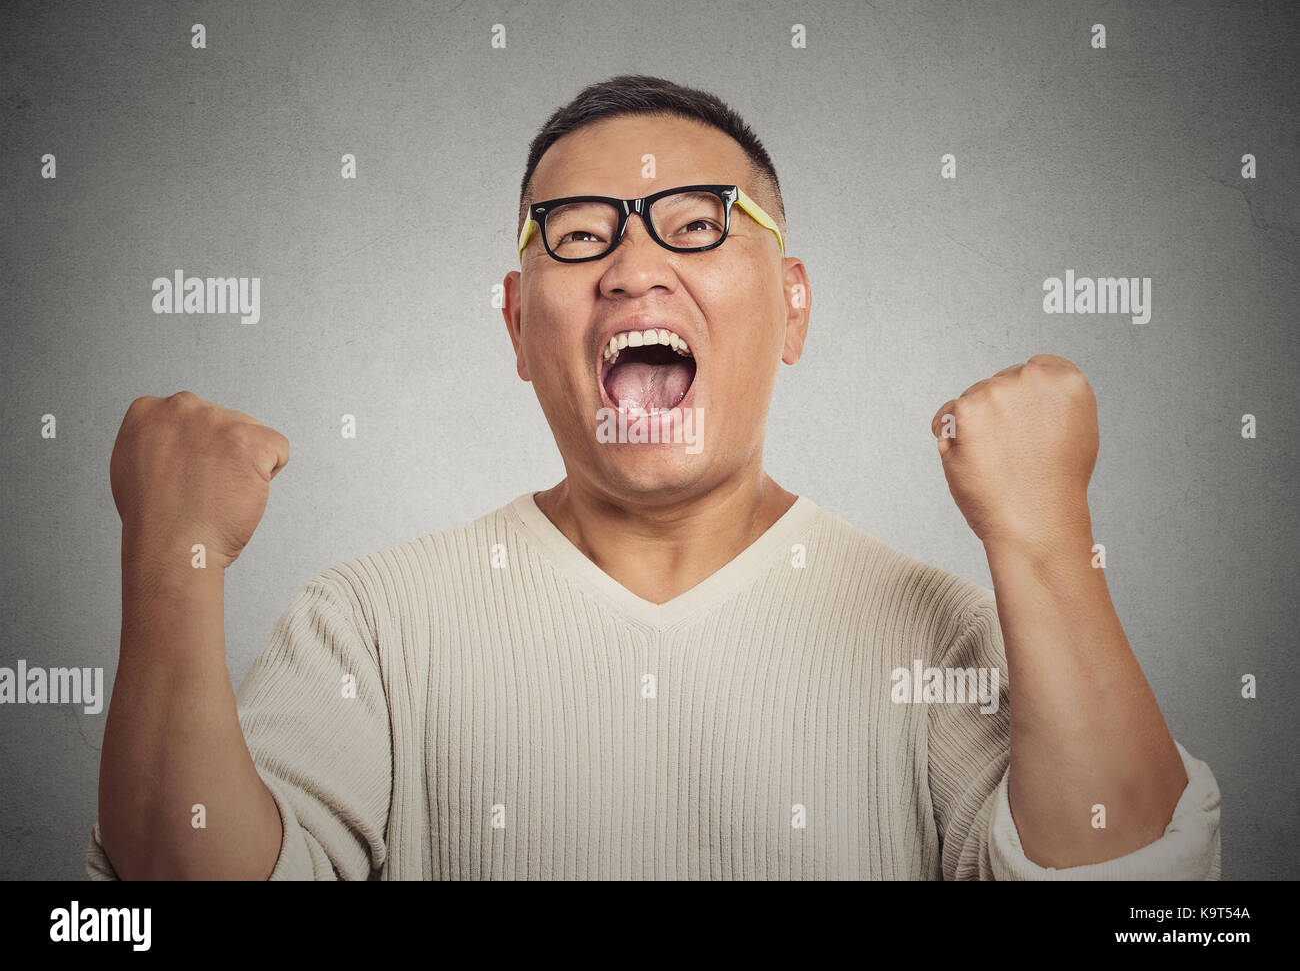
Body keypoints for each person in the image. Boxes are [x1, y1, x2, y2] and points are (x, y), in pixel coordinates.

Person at [88, 74, 1220, 880]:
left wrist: (1044, 542)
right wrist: (168, 564)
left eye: (696, 224)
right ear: (517, 322)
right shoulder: (370, 628)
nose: (635, 267)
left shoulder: (938, 634)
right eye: (578, 235)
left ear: (792, 307)